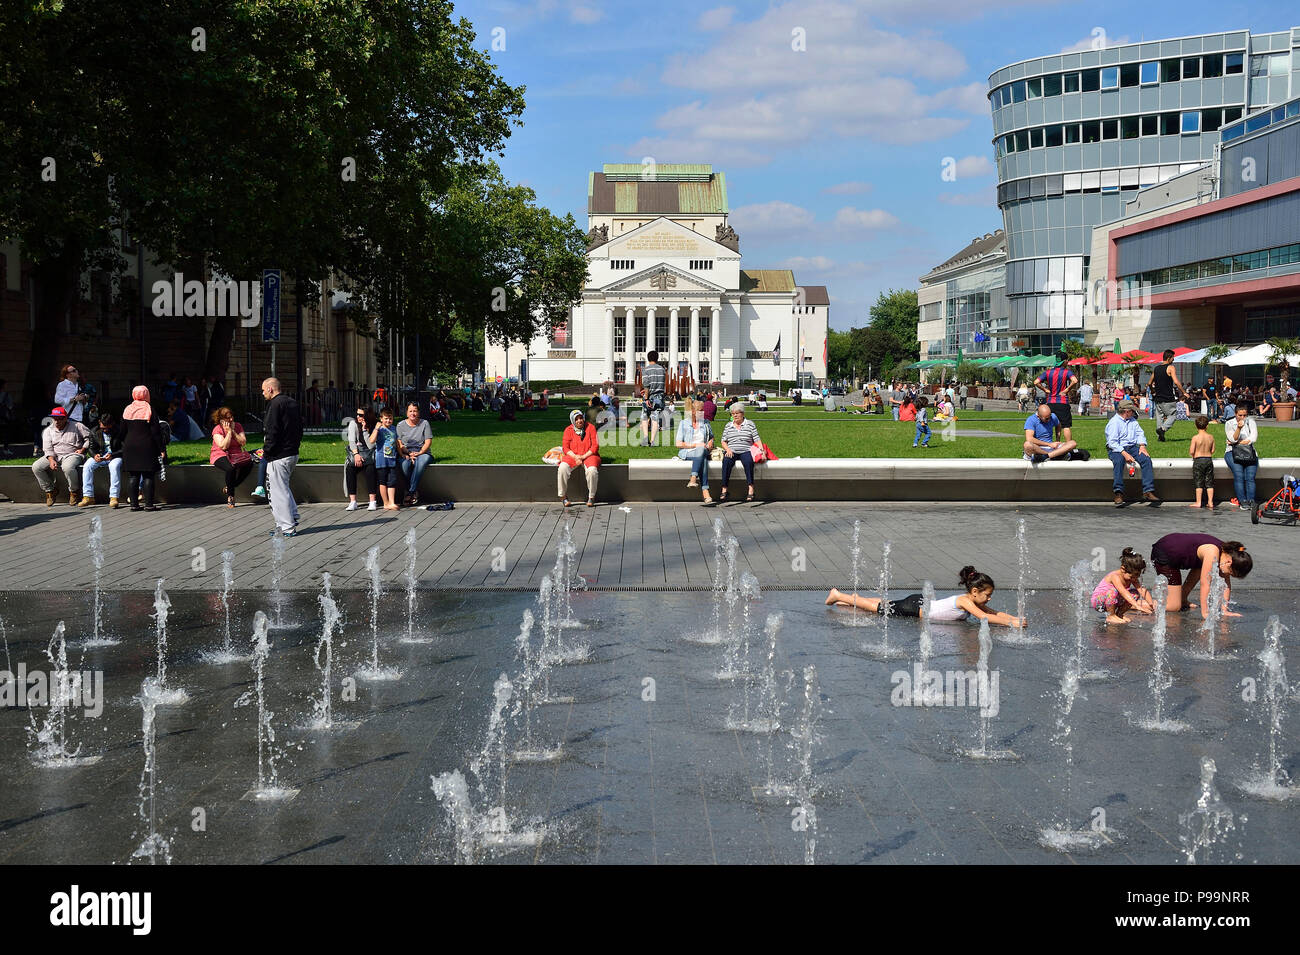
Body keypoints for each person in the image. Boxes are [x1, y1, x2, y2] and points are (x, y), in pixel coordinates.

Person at [826, 565, 1026, 628]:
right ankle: (838, 595)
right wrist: (1012, 625)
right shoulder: (966, 601)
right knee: (877, 609)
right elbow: (985, 618)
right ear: (975, 592)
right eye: (987, 595)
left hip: (920, 602)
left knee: (885, 603)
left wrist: (1013, 618)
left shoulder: (971, 599)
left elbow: (992, 613)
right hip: (914, 609)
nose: (989, 599)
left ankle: (850, 600)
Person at [1150, 534, 1251, 618]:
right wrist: (1205, 612)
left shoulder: (1227, 552)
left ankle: (1183, 598)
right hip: (1164, 553)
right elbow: (1205, 583)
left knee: (1201, 568)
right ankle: (1141, 602)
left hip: (1172, 550)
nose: (1227, 575)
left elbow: (1226, 584)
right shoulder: (1213, 553)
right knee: (1173, 606)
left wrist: (1224, 610)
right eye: (1230, 573)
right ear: (1229, 562)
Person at [261, 377, 302, 535]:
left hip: (278, 454)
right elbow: (300, 426)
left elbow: (272, 430)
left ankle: (287, 526)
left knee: (277, 491)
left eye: (264, 390)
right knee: (283, 487)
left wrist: (266, 451)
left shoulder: (274, 405)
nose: (263, 393)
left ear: (271, 389)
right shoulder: (292, 402)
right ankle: (292, 515)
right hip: (292, 452)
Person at [1106, 399, 1160, 506]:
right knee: (1118, 461)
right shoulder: (1114, 423)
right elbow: (1112, 442)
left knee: (1146, 459)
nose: (1133, 413)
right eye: (1132, 411)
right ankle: (1118, 492)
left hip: (1132, 447)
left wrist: (1142, 446)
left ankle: (1148, 490)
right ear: (1126, 411)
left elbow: (1140, 433)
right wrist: (1124, 453)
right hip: (1117, 448)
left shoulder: (1133, 421)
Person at [33, 406, 89, 506]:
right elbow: (48, 448)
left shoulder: (77, 426)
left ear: (66, 418)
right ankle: (50, 491)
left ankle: (74, 492)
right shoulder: (48, 430)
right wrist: (51, 460)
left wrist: (83, 449)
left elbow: (90, 438)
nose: (57, 421)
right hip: (55, 455)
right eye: (55, 419)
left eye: (60, 419)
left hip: (73, 454)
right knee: (36, 467)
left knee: (67, 467)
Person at [121, 386, 166, 511]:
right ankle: (149, 504)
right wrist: (161, 449)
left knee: (133, 476)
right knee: (148, 475)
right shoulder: (149, 409)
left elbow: (122, 430)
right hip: (147, 446)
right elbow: (156, 432)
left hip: (130, 446)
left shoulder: (127, 409)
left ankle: (134, 505)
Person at [1089, 547, 1155, 625]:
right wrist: (1137, 606)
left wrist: (1151, 604)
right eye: (1132, 576)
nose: (1134, 579)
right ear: (1123, 569)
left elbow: (1142, 590)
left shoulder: (1132, 576)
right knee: (1113, 591)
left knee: (1135, 593)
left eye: (1137, 576)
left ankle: (1119, 614)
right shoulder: (1115, 576)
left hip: (1113, 601)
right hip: (1099, 602)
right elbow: (1123, 592)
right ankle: (1111, 616)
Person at [209, 406, 254, 507]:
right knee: (230, 469)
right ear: (221, 420)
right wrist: (228, 432)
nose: (231, 419)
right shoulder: (217, 429)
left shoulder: (237, 426)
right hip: (219, 454)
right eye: (228, 418)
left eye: (232, 416)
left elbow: (243, 442)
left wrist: (233, 431)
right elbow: (223, 446)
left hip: (236, 454)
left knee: (249, 464)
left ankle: (229, 487)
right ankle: (231, 496)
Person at [79, 412, 124, 508]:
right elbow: (91, 448)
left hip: (115, 456)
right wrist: (95, 455)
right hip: (101, 455)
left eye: (108, 427)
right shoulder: (94, 431)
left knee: (114, 466)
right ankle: (88, 496)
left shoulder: (120, 430)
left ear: (112, 424)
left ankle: (114, 497)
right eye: (103, 428)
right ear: (99, 423)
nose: (106, 430)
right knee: (87, 466)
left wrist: (113, 455)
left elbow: (125, 448)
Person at [675, 399, 715, 506]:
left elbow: (711, 437)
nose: (703, 413)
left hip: (704, 450)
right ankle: (705, 491)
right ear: (693, 411)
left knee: (701, 453)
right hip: (688, 451)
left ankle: (693, 479)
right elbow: (678, 444)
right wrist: (696, 445)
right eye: (700, 410)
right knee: (702, 457)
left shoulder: (706, 423)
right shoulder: (683, 423)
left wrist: (711, 442)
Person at [719, 403, 761, 503]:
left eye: (737, 413)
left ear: (742, 413)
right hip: (732, 450)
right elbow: (723, 441)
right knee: (726, 462)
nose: (735, 415)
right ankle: (724, 489)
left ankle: (751, 489)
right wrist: (728, 449)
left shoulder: (750, 424)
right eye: (733, 413)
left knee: (748, 462)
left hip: (746, 450)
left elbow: (757, 439)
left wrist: (761, 451)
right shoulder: (728, 425)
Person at [558, 408, 599, 507]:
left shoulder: (591, 428)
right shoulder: (568, 430)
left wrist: (583, 456)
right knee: (562, 468)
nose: (579, 421)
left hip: (589, 455)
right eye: (576, 419)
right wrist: (576, 456)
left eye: (581, 418)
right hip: (573, 455)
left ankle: (591, 497)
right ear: (573, 421)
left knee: (592, 471)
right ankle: (563, 496)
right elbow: (565, 448)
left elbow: (595, 446)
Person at [396, 402, 433, 506]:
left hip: (423, 452)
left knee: (421, 463)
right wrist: (408, 453)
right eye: (410, 411)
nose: (413, 413)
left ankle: (410, 492)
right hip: (406, 452)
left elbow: (428, 441)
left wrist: (420, 453)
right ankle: (413, 492)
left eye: (415, 411)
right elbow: (399, 443)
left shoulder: (424, 423)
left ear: (418, 412)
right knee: (405, 465)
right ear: (407, 413)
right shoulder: (400, 425)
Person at [1223, 404, 1259, 511]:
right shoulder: (1229, 423)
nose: (1242, 417)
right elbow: (1232, 438)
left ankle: (1251, 500)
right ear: (1235, 414)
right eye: (1240, 415)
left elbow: (1253, 438)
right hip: (1232, 452)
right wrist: (1238, 428)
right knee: (1239, 475)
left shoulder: (1251, 422)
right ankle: (1242, 500)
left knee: (1250, 477)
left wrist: (1238, 442)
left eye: (1244, 415)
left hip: (1249, 453)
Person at [1146, 349, 1187, 441]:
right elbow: (1176, 382)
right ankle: (1163, 429)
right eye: (1173, 358)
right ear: (1169, 358)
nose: (1173, 360)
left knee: (1159, 417)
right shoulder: (1170, 367)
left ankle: (1160, 438)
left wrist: (1152, 391)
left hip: (1158, 398)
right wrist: (1184, 392)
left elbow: (1149, 383)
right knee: (1173, 415)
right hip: (1168, 397)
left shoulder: (1156, 368)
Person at [1035, 361, 1078, 444]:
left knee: (1054, 424)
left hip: (1050, 402)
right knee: (1065, 426)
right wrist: (1066, 390)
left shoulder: (1048, 372)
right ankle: (1069, 446)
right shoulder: (1067, 372)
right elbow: (1075, 380)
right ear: (1064, 361)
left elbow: (1036, 382)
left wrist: (1045, 390)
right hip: (1062, 402)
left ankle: (1056, 442)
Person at [344, 407, 378, 511]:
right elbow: (351, 441)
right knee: (350, 469)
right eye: (357, 414)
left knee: (370, 469)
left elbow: (370, 446)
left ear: (367, 415)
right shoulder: (353, 424)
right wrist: (356, 455)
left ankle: (372, 501)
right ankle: (353, 501)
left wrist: (364, 430)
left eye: (361, 415)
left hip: (370, 455)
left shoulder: (375, 425)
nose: (358, 417)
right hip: (357, 454)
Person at [370, 407, 401, 510]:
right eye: (386, 418)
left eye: (390, 418)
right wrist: (376, 428)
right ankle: (386, 502)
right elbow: (371, 441)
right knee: (383, 481)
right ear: (381, 419)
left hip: (392, 459)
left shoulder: (393, 428)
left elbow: (397, 443)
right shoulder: (379, 429)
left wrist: (401, 453)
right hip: (381, 459)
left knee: (392, 481)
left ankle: (392, 502)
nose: (388, 421)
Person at [1188, 415, 1216, 510]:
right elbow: (1212, 450)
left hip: (1198, 460)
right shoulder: (1211, 437)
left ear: (1196, 426)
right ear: (1207, 426)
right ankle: (1210, 502)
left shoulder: (1195, 438)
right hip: (1208, 459)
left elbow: (1192, 451)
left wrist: (1193, 456)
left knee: (1199, 482)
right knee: (1209, 482)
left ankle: (1198, 502)